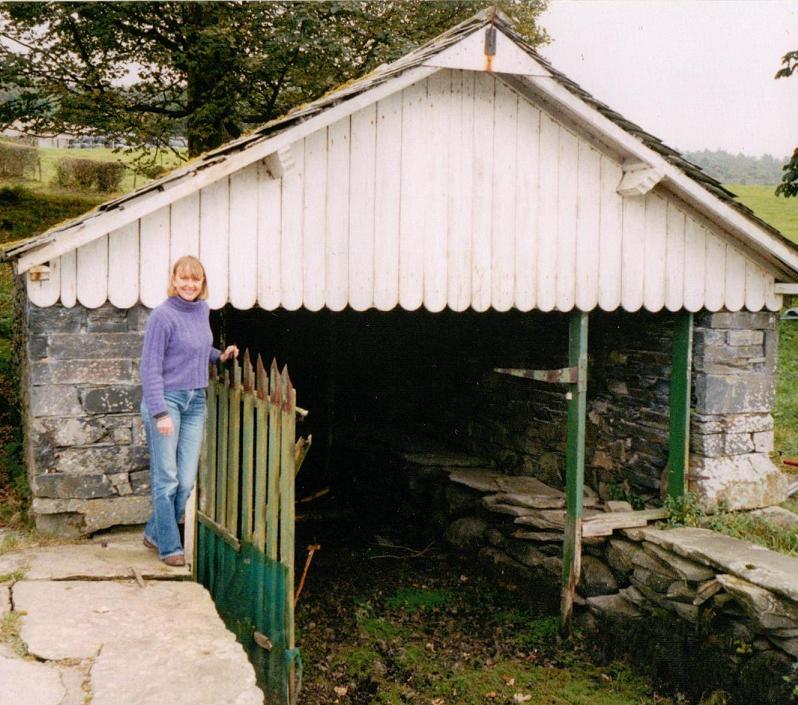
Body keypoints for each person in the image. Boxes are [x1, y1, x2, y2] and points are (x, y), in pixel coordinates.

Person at [139, 255, 238, 566]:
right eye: (183, 278)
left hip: (196, 401)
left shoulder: (201, 310)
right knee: (166, 478)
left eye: (195, 279)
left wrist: (219, 357)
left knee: (185, 480)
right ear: (174, 280)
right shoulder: (162, 316)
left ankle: (154, 532)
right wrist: (159, 413)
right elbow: (150, 367)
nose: (189, 284)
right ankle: (169, 547)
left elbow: (194, 347)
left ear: (202, 283)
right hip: (166, 401)